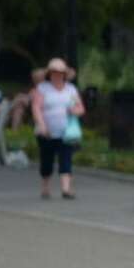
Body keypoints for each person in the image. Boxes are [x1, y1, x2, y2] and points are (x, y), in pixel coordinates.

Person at [31, 57, 83, 201]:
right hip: (46, 131)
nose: (57, 75)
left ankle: (66, 189)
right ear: (49, 74)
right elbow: (36, 107)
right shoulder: (43, 88)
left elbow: (80, 107)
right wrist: (42, 125)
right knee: (46, 160)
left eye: (60, 72)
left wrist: (75, 111)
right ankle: (45, 188)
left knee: (66, 159)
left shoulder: (70, 89)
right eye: (54, 72)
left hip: (66, 132)